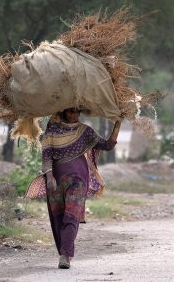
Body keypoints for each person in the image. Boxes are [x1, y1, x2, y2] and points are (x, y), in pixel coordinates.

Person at [41, 108, 121, 269]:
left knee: (71, 214)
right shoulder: (51, 133)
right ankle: (63, 251)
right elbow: (46, 156)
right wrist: (49, 177)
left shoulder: (85, 131)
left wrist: (118, 124)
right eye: (70, 112)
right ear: (63, 112)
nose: (73, 115)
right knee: (58, 217)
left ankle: (65, 255)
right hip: (55, 181)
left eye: (76, 112)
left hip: (78, 180)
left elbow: (106, 145)